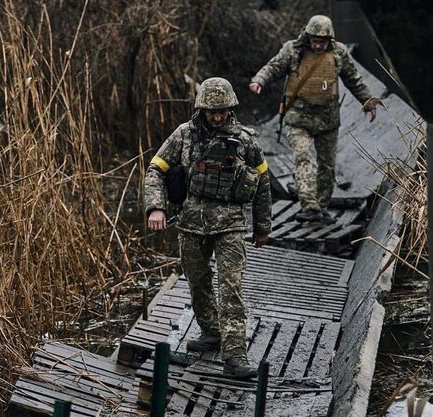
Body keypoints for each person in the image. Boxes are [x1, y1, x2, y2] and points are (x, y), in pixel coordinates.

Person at [144, 77, 272, 378]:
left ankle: (235, 356)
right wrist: (156, 206)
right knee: (198, 282)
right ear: (201, 110)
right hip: (191, 222)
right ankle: (211, 331)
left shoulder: (245, 140)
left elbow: (263, 182)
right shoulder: (184, 135)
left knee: (231, 288)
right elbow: (155, 170)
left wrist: (263, 226)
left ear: (231, 109)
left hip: (230, 224)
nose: (217, 117)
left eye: (222, 112)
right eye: (211, 112)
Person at [249, 15, 380, 223]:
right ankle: (309, 205)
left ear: (330, 39)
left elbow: (353, 79)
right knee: (303, 158)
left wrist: (368, 101)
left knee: (327, 167)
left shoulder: (339, 53)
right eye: (314, 41)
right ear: (307, 37)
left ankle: (321, 207)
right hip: (298, 118)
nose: (318, 45)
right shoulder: (292, 50)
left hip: (327, 120)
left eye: (322, 41)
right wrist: (259, 80)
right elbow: (273, 67)